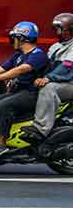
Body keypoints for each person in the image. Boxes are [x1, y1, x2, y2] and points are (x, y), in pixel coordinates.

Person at [0, 21, 48, 156]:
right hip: (18, 92)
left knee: (5, 104)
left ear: (23, 38)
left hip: (32, 94)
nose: (12, 41)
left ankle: (2, 143)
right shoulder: (18, 55)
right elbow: (1, 68)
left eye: (14, 38)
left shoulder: (38, 55)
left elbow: (19, 70)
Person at [29, 12, 73, 142]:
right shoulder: (56, 46)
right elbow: (45, 66)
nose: (57, 32)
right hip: (61, 81)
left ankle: (41, 129)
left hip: (70, 83)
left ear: (70, 30)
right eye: (56, 29)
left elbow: (66, 68)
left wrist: (47, 78)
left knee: (49, 88)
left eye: (60, 29)